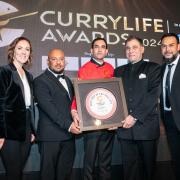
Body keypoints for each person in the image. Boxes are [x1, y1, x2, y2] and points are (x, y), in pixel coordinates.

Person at [114, 36, 161, 180]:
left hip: (146, 128)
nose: (131, 51)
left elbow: (153, 96)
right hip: (125, 130)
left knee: (148, 169)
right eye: (128, 48)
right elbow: (115, 98)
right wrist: (113, 120)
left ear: (142, 49)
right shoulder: (118, 71)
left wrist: (134, 116)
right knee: (129, 170)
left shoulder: (154, 68)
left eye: (134, 47)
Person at [71, 37, 115, 180]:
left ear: (107, 51)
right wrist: (74, 110)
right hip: (91, 124)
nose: (100, 49)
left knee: (105, 163)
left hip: (108, 124)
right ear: (91, 50)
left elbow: (114, 96)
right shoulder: (84, 69)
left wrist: (116, 119)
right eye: (96, 46)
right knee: (89, 163)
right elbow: (79, 95)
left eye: (103, 47)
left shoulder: (111, 68)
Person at [34, 48, 81, 180]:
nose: (58, 62)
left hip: (68, 137)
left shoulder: (67, 80)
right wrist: (69, 125)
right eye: (54, 59)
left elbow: (73, 105)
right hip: (50, 137)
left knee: (65, 174)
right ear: (48, 62)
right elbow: (50, 109)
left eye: (61, 59)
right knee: (48, 175)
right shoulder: (40, 81)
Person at [0, 37, 35, 180]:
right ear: (12, 50)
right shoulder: (4, 72)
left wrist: (32, 129)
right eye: (20, 48)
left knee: (19, 171)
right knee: (13, 172)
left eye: (27, 49)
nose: (23, 52)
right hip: (9, 130)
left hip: (26, 128)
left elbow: (30, 105)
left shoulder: (29, 75)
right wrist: (0, 133)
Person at [160, 33, 180, 180]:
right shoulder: (162, 69)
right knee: (176, 158)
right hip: (169, 120)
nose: (167, 49)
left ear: (178, 47)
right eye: (164, 46)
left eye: (171, 45)